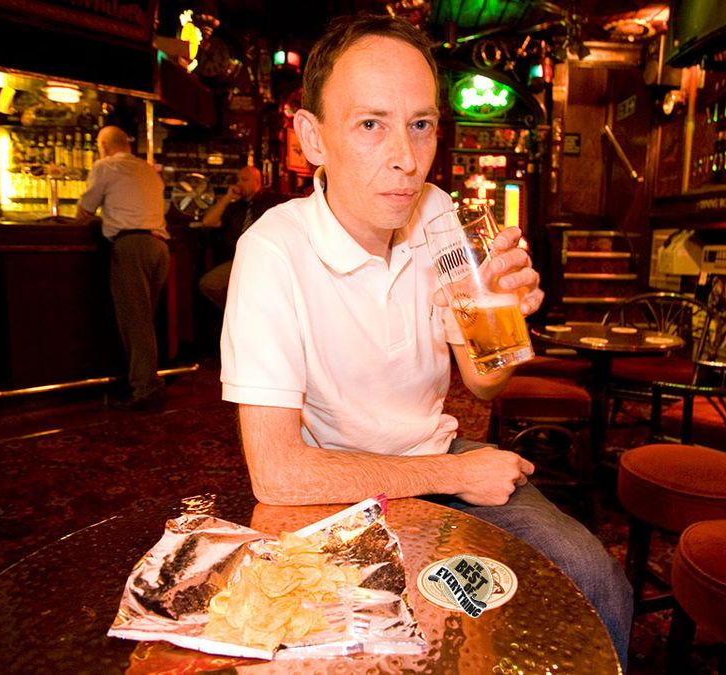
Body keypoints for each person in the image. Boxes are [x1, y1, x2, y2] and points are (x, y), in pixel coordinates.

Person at [219, 14, 634, 667]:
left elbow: (484, 380)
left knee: (594, 577)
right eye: (370, 124)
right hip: (334, 491)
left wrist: (499, 322)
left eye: (421, 125)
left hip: (438, 458)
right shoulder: (272, 252)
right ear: (313, 137)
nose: (406, 159)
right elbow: (276, 469)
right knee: (389, 648)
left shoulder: (438, 213)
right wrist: (455, 471)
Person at [75, 126, 170, 411]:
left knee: (136, 323)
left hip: (131, 246)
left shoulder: (104, 166)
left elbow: (84, 212)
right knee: (144, 321)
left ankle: (145, 390)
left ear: (103, 145)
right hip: (160, 247)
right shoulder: (148, 169)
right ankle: (147, 382)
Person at [196, 165, 287, 307]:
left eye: (244, 179)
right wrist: (227, 198)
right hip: (238, 259)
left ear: (257, 182)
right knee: (209, 284)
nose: (239, 183)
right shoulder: (234, 207)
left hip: (264, 259)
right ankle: (238, 311)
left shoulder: (272, 201)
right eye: (237, 179)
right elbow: (208, 221)